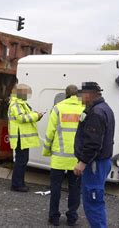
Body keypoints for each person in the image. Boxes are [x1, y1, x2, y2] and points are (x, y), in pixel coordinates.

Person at [73, 82, 115, 228]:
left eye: (82, 95)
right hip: (101, 162)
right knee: (95, 199)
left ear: (89, 94)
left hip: (94, 164)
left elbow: (93, 142)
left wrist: (82, 162)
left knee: (93, 200)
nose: (80, 98)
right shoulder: (104, 108)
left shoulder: (96, 112)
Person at [43, 85, 84, 226]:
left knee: (55, 188)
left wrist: (47, 151)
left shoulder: (58, 108)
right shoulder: (84, 109)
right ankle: (72, 217)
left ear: (65, 94)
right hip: (76, 158)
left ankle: (54, 217)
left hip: (59, 158)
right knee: (75, 189)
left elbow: (50, 133)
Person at [8, 83, 43, 192]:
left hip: (22, 137)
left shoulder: (21, 104)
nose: (27, 96)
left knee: (22, 160)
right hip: (20, 138)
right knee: (21, 161)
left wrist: (36, 116)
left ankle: (19, 183)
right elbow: (22, 118)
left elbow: (27, 116)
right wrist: (36, 116)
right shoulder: (16, 104)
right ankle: (17, 185)